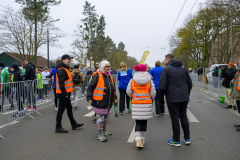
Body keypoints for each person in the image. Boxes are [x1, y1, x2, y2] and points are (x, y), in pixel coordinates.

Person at [159, 54, 192, 147]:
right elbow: (189, 83)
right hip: (184, 97)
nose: (164, 61)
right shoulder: (183, 68)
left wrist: (161, 99)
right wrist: (187, 94)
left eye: (165, 59)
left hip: (172, 98)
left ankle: (176, 140)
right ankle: (187, 138)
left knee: (175, 118)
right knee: (184, 117)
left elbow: (162, 86)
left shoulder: (166, 69)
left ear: (168, 60)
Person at [87, 60, 117, 142]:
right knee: (100, 118)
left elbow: (113, 88)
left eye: (109, 66)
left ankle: (104, 130)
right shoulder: (97, 75)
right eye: (106, 67)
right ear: (103, 67)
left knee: (105, 118)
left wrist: (115, 97)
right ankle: (100, 134)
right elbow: (90, 87)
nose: (108, 68)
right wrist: (89, 98)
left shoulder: (110, 76)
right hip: (99, 101)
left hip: (108, 101)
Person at [126, 64, 156, 148]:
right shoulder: (149, 80)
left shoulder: (132, 80)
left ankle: (138, 141)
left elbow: (128, 92)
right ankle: (142, 139)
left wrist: (133, 96)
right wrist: (150, 98)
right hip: (146, 103)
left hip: (136, 103)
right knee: (144, 122)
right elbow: (153, 93)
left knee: (138, 122)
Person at [55, 54, 84, 133]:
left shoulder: (65, 69)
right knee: (61, 111)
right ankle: (58, 127)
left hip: (66, 93)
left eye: (70, 59)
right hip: (62, 94)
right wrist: (65, 94)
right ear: (63, 60)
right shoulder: (61, 70)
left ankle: (73, 123)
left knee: (69, 109)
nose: (69, 61)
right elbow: (61, 83)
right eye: (68, 59)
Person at [231, 62, 240, 130]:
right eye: (238, 63)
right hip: (237, 94)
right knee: (239, 110)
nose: (238, 64)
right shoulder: (238, 72)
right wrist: (233, 80)